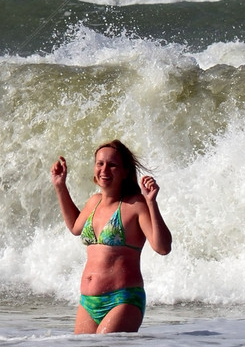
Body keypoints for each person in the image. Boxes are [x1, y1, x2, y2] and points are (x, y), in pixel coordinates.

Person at [51, 139, 172, 334]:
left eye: (112, 165)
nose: (104, 169)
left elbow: (163, 247)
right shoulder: (94, 201)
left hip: (122, 300)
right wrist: (60, 186)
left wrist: (151, 203)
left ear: (125, 171)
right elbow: (75, 227)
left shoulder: (135, 205)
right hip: (88, 302)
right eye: (100, 163)